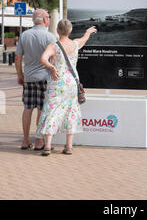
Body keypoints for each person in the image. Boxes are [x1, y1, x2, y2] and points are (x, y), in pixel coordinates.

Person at [36, 19, 97, 156]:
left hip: (57, 82)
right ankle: (69, 146)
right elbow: (84, 39)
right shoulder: (75, 44)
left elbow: (43, 59)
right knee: (71, 111)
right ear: (70, 31)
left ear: (57, 31)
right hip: (72, 83)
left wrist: (52, 67)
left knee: (51, 111)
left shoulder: (53, 46)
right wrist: (88, 32)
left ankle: (48, 146)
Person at [15, 9, 56, 150]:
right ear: (44, 20)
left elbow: (18, 57)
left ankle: (25, 141)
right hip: (44, 77)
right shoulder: (50, 37)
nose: (49, 19)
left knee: (27, 108)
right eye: (48, 17)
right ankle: (39, 142)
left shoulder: (24, 35)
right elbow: (54, 59)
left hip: (29, 77)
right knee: (41, 109)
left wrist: (20, 74)